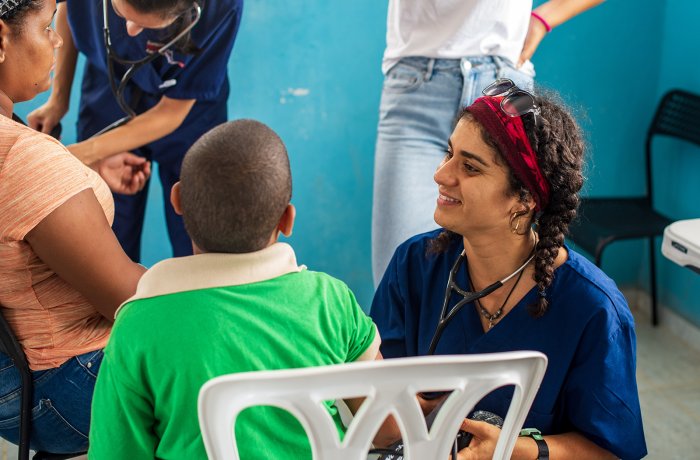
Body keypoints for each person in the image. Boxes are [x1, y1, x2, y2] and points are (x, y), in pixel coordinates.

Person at [370, 81, 647, 459]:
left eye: (469, 167)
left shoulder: (593, 309)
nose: (441, 175)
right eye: (448, 154)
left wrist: (517, 450)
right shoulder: (415, 265)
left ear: (524, 200)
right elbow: (379, 412)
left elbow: (611, 453)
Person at [88, 119, 382, 459]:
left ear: (177, 199)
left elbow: (116, 453)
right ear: (287, 220)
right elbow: (386, 423)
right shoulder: (330, 300)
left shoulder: (138, 324)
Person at [372, 0, 605, 285]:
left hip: (503, 83)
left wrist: (544, 19)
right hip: (418, 83)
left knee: (506, 282)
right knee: (397, 280)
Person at [0, 0, 147, 453]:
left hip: (12, 379)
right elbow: (128, 300)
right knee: (229, 342)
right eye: (47, 27)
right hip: (61, 390)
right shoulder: (25, 159)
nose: (59, 39)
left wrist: (83, 180)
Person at [28, 0, 244, 261]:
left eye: (145, 24)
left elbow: (170, 113)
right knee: (106, 236)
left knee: (197, 236)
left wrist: (79, 155)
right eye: (119, 11)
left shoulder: (220, 6)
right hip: (109, 85)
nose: (129, 29)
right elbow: (72, 11)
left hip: (190, 111)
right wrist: (58, 100)